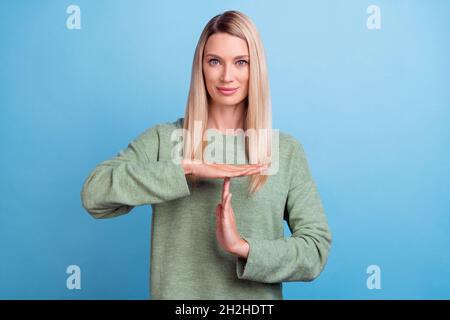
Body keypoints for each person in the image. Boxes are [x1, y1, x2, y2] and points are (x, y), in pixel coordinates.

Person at [81, 10, 332, 300]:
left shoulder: (285, 151)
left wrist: (243, 247)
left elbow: (315, 250)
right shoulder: (165, 140)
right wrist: (185, 170)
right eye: (215, 61)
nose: (227, 76)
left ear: (256, 68)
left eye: (241, 62)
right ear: (200, 66)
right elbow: (94, 194)